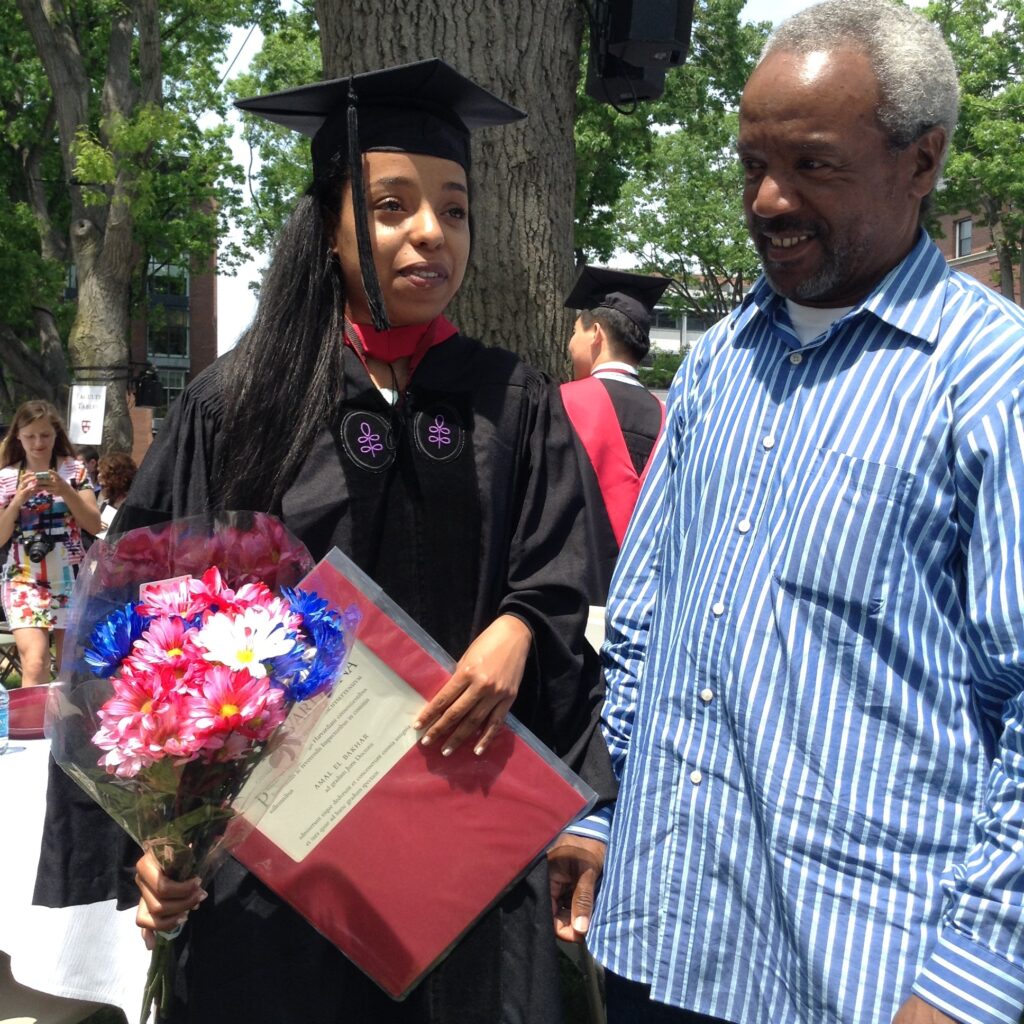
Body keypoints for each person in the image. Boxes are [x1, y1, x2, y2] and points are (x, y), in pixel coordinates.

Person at [35, 59, 614, 1024]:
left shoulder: (510, 401)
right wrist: (157, 838)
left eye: (454, 209)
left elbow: (559, 585)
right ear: (331, 226)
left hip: (460, 860)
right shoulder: (241, 403)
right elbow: (132, 637)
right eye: (392, 207)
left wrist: (519, 624)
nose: (431, 233)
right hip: (276, 872)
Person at [549, 2, 1024, 1023]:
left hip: (866, 976)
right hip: (660, 938)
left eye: (812, 165)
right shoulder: (717, 363)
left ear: (922, 160)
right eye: (750, 165)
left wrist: (974, 975)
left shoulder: (992, 382)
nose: (767, 200)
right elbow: (642, 630)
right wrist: (597, 808)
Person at [561, 266, 670, 605]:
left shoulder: (561, 404)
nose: (569, 343)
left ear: (595, 333)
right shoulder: (672, 417)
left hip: (571, 604)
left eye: (575, 331)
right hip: (650, 605)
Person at [0, 401, 102, 686]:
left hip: (69, 578)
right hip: (23, 579)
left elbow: (94, 524)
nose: (38, 442)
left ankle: (69, 725)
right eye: (30, 435)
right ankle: (34, 729)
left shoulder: (74, 471)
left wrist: (66, 491)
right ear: (18, 436)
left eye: (45, 435)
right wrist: (18, 499)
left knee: (72, 665)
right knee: (35, 660)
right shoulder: (6, 478)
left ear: (56, 434)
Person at [95, 452, 137, 538]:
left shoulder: (131, 500)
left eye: (103, 472)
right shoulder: (106, 497)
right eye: (98, 472)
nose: (99, 476)